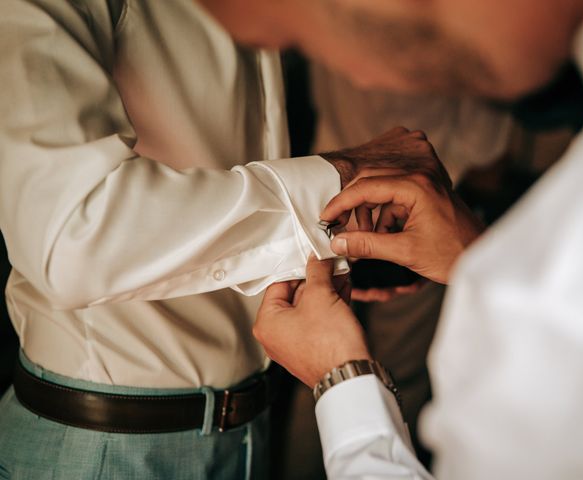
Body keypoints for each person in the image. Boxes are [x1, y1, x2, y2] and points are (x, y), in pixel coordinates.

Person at [0, 1, 439, 478]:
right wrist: (338, 173)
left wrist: (317, 247)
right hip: (107, 445)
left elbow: (222, 180)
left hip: (247, 430)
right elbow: (72, 240)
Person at [249, 0, 583, 478]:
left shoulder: (556, 318)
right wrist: (473, 254)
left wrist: (341, 380)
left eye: (306, 38)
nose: (362, 77)